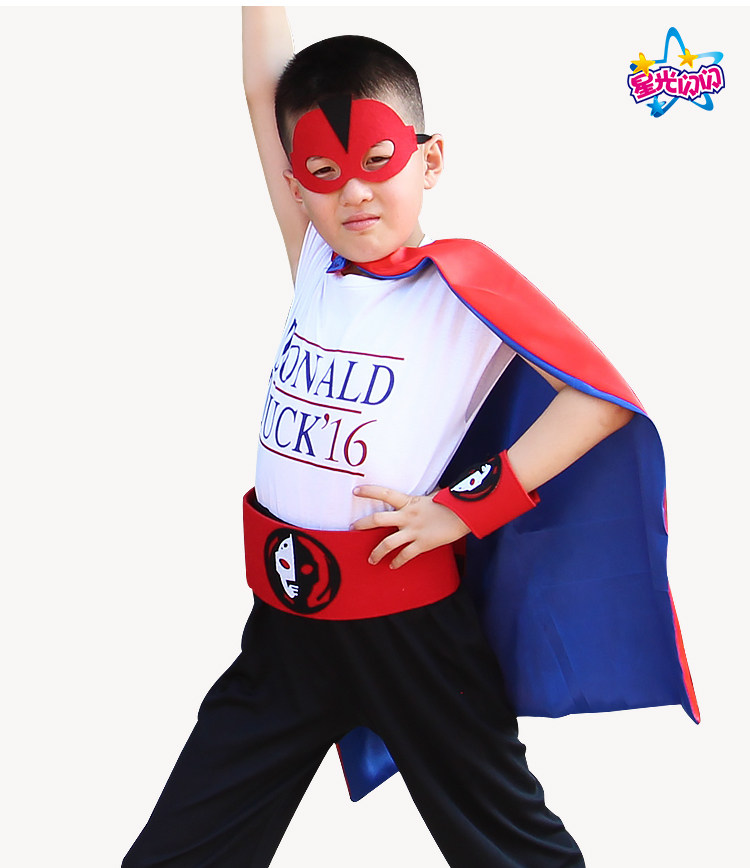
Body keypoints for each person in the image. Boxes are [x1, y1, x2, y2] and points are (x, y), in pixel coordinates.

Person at [122, 7, 697, 867]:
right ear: (294, 184)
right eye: (323, 172)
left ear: (428, 160)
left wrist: (465, 509)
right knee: (183, 846)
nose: (353, 192)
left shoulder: (462, 286)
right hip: (284, 626)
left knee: (510, 848)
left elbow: (600, 401)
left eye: (377, 161)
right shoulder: (315, 261)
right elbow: (262, 90)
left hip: (410, 627)